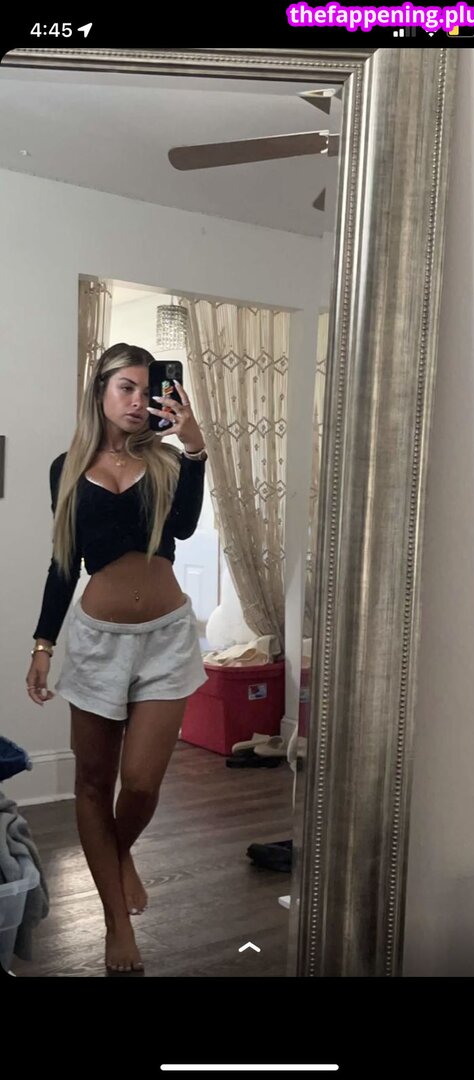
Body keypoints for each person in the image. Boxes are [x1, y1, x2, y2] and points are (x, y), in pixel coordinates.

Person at [25, 343, 209, 974]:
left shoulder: (167, 462)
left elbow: (183, 528)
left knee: (143, 783)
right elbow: (63, 563)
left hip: (167, 639)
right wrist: (43, 644)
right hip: (97, 643)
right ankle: (113, 920)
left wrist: (195, 450)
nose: (137, 401)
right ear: (100, 392)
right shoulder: (67, 468)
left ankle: (118, 849)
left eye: (146, 390)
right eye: (125, 388)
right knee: (93, 783)